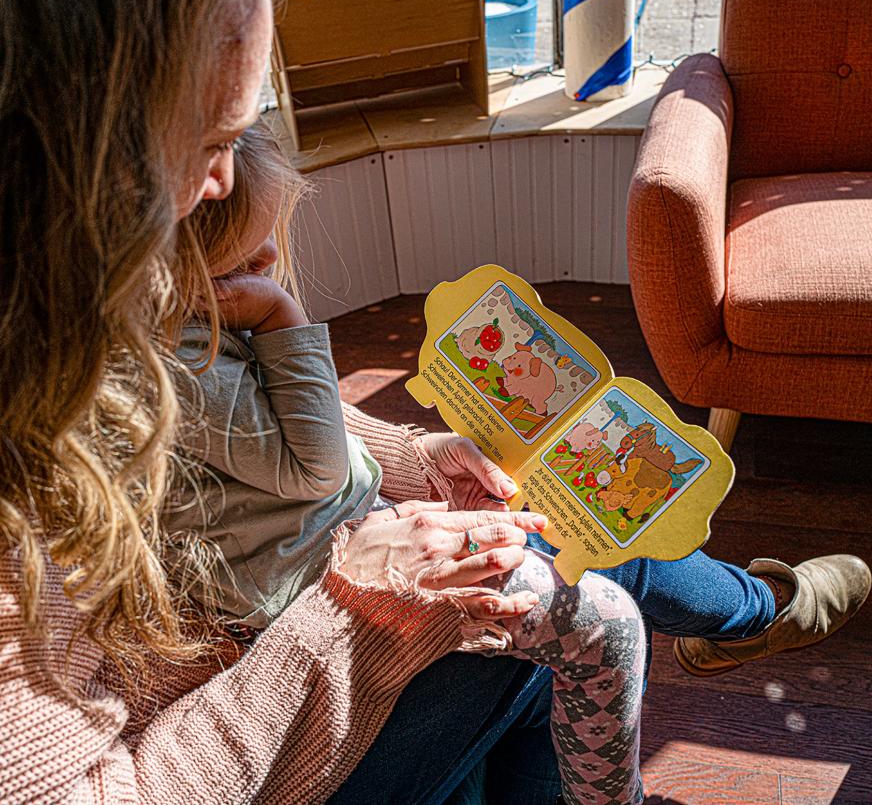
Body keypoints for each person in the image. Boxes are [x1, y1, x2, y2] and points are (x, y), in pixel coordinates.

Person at [0, 0, 545, 803]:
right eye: (213, 138)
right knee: (527, 653)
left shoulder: (15, 304)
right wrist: (347, 615)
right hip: (206, 698)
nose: (221, 183)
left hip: (205, 656)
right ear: (49, 162)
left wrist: (406, 457)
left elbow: (213, 412)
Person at [168, 125, 648, 805]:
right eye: (244, 256)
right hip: (303, 605)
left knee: (580, 530)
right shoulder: (183, 369)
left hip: (332, 553)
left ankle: (749, 612)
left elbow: (302, 437)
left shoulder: (188, 338)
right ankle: (743, 626)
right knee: (610, 619)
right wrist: (281, 317)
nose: (272, 257)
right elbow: (319, 470)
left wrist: (417, 454)